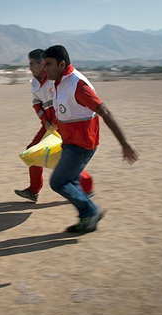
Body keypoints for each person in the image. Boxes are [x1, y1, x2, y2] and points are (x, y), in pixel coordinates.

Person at [41, 45, 139, 232]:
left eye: (49, 64)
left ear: (62, 64)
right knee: (72, 180)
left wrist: (124, 143)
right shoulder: (60, 81)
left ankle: (90, 211)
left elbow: (104, 111)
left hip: (81, 145)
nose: (45, 68)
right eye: (44, 64)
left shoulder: (77, 84)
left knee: (58, 182)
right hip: (71, 143)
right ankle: (87, 217)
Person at [15, 49, 94, 203]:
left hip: (62, 123)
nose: (30, 67)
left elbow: (62, 103)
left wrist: (58, 122)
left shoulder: (54, 78)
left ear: (41, 64)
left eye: (32, 63)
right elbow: (36, 103)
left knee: (61, 158)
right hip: (48, 124)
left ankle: (86, 184)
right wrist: (44, 120)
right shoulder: (33, 83)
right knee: (33, 151)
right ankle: (34, 190)